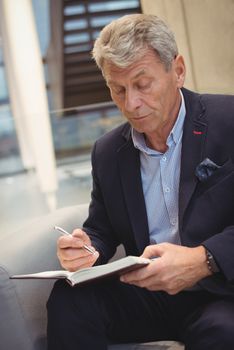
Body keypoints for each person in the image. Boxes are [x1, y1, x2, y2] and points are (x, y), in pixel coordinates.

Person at [47, 14, 234, 350]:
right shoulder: (108, 152)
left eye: (142, 84)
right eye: (117, 89)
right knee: (69, 300)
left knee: (222, 332)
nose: (130, 103)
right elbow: (102, 229)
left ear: (177, 70)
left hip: (221, 289)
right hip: (151, 293)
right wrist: (87, 248)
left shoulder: (229, 121)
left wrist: (203, 259)